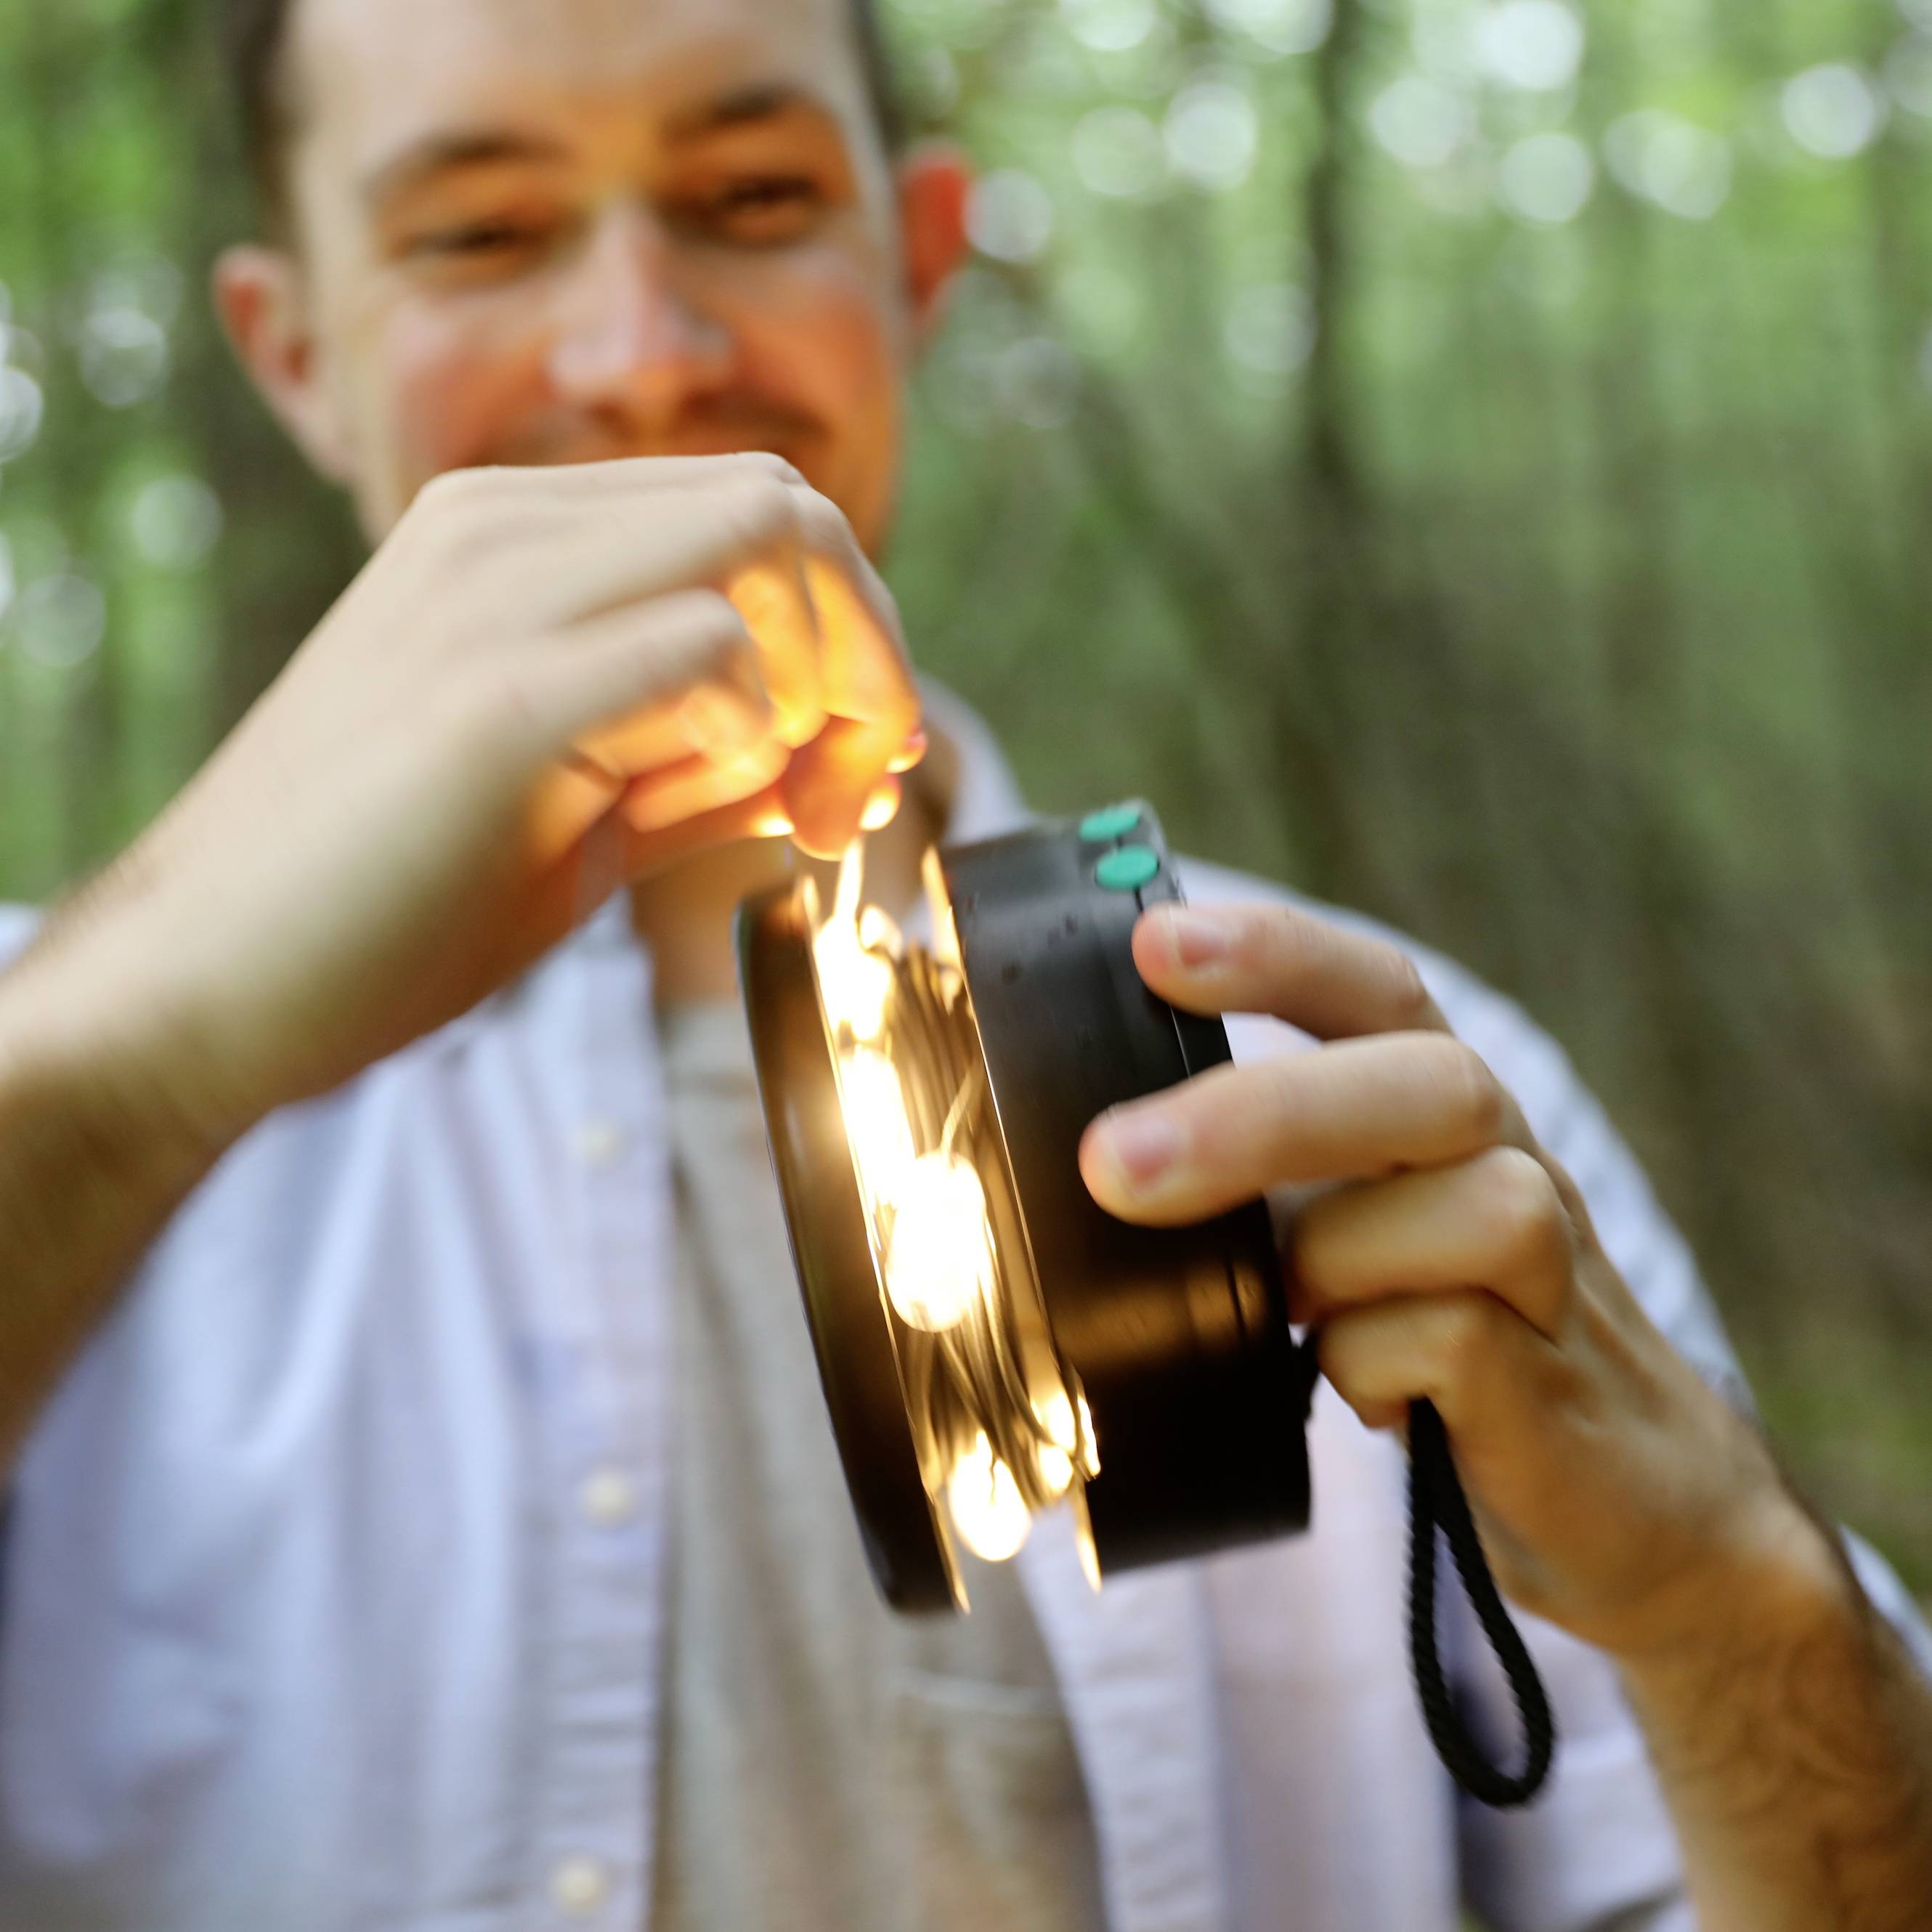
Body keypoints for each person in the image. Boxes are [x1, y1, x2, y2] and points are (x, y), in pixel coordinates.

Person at [0, 0, 1928, 1923]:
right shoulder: (65, 1073)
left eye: (751, 196)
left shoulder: (1362, 1086)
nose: (642, 357)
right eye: (481, 234)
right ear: (296, 352)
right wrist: (130, 1067)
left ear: (917, 258)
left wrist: (1730, 1607)